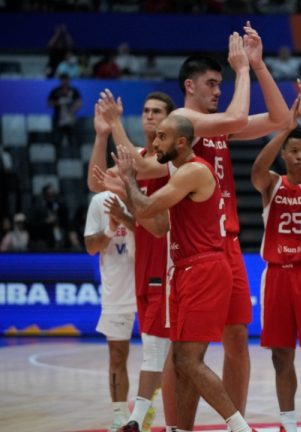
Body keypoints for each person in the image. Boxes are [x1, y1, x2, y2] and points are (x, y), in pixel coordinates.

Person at [104, 25, 291, 418]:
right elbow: (237, 116)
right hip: (194, 250)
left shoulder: (217, 127)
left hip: (229, 245)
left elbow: (279, 118)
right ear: (190, 85)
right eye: (211, 83)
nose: (217, 90)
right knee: (185, 347)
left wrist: (258, 66)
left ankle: (234, 420)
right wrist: (241, 69)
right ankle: (177, 424)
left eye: (221, 83)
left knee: (238, 337)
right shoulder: (185, 119)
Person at [97, 115, 253, 432]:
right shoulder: (180, 177)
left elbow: (149, 207)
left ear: (181, 142)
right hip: (184, 270)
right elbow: (156, 226)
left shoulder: (193, 171)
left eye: (162, 137)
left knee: (187, 360)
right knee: (180, 362)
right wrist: (128, 195)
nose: (154, 143)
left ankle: (240, 428)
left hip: (204, 270)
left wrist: (128, 179)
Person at [88, 91, 179, 432]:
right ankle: (143, 414)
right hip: (140, 267)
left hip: (169, 262)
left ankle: (146, 417)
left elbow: (137, 175)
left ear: (171, 120)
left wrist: (114, 125)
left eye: (157, 111)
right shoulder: (138, 157)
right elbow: (96, 181)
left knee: (165, 352)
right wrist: (101, 134)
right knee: (159, 352)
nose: (149, 117)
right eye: (145, 111)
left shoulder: (171, 160)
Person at [250, 85, 301, 432]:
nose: (300, 156)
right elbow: (256, 167)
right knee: (280, 355)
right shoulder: (271, 184)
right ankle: (288, 424)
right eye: (294, 151)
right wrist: (283, 127)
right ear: (285, 154)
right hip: (278, 276)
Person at [84, 191, 136, 432]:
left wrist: (125, 217)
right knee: (117, 355)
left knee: (165, 356)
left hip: (152, 284)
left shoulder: (149, 192)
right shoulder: (99, 201)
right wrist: (110, 228)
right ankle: (120, 417)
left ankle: (150, 411)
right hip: (118, 289)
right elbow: (91, 247)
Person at [47, 73, 82, 148]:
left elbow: (79, 102)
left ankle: (74, 156)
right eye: (63, 80)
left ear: (69, 81)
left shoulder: (74, 91)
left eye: (67, 80)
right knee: (57, 140)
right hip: (58, 118)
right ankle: (57, 156)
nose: (65, 82)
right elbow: (49, 103)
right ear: (61, 81)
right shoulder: (55, 91)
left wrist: (72, 109)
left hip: (71, 118)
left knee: (73, 140)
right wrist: (59, 102)